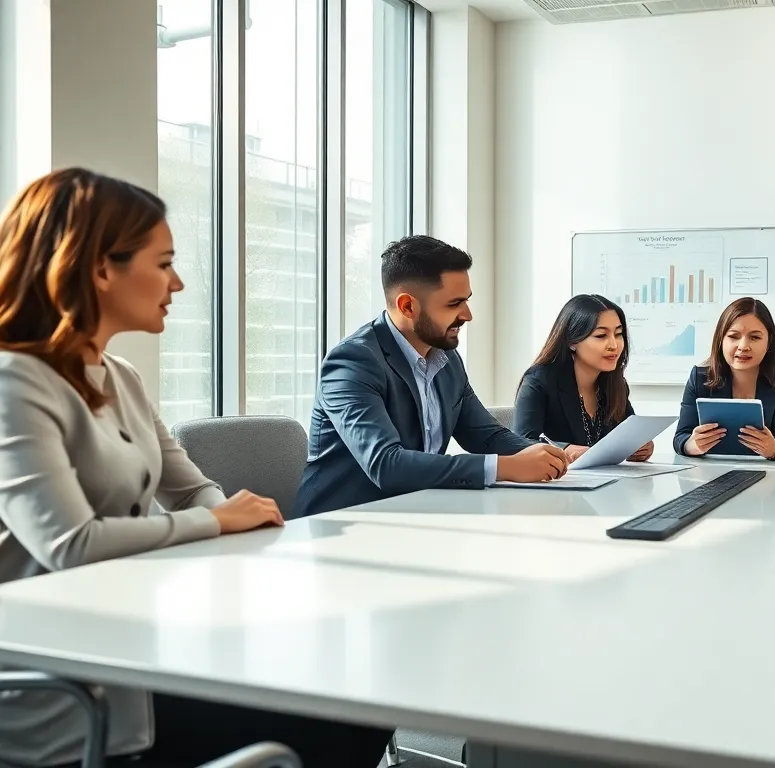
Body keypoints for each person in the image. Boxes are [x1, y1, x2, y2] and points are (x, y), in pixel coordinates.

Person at [0, 169, 392, 767]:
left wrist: (228, 517)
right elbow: (70, 545)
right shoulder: (14, 382)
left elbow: (192, 491)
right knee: (332, 722)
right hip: (56, 688)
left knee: (358, 699)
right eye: (163, 263)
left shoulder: (121, 376)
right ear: (101, 267)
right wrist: (219, 523)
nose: (178, 282)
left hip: (132, 657)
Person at [294, 235, 567, 518]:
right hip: (339, 527)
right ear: (407, 306)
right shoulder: (352, 362)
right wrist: (504, 467)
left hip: (412, 515)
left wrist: (550, 454)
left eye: (467, 301)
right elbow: (386, 465)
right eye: (454, 304)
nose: (468, 315)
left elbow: (485, 436)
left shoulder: (446, 358)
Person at [514, 294, 653, 462]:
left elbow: (631, 432)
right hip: (555, 483)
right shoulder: (539, 380)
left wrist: (641, 446)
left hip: (606, 483)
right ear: (572, 341)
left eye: (618, 334)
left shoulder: (615, 384)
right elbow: (522, 441)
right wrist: (564, 449)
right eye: (601, 336)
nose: (614, 345)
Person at [673, 298, 775, 460]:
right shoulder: (700, 378)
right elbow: (680, 438)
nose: (743, 346)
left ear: (769, 342)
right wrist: (691, 445)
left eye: (755, 337)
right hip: (711, 475)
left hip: (773, 477)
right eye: (734, 336)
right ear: (721, 340)